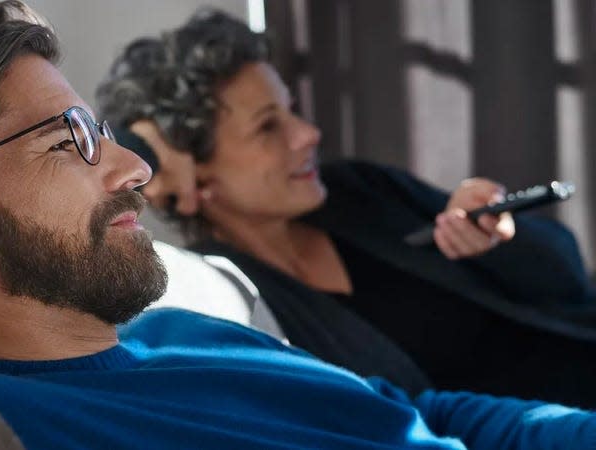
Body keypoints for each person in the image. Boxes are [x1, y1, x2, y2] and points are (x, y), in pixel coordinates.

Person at [0, 2, 596, 449]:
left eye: (105, 132)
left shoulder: (193, 329)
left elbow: (420, 414)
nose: (133, 170)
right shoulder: (10, 429)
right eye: (69, 142)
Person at [96, 10, 596, 404]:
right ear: (194, 174)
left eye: (290, 110)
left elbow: (568, 277)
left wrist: (497, 240)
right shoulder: (239, 304)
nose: (308, 134)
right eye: (269, 127)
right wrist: (149, 158)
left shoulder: (359, 189)